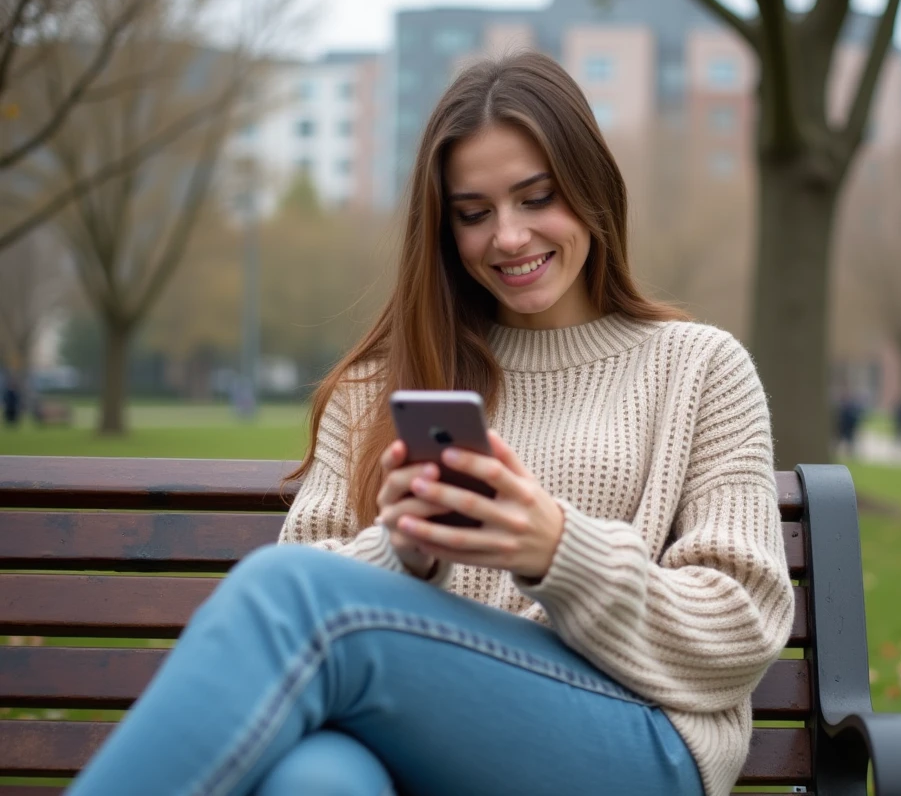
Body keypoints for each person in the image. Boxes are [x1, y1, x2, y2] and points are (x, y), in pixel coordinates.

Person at [67, 51, 793, 796]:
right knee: (316, 782)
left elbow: (739, 630)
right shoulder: (379, 384)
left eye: (536, 198)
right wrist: (401, 553)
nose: (508, 238)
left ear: (592, 189)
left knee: (287, 594)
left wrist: (558, 551)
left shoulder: (700, 368)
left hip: (629, 744)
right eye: (474, 214)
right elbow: (318, 578)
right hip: (411, 737)